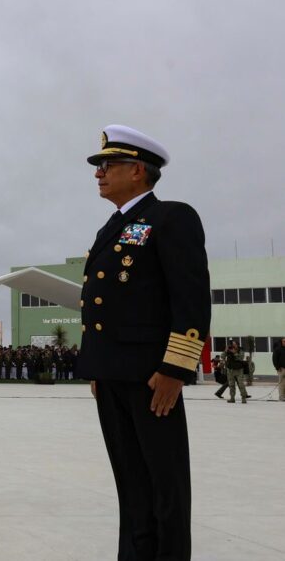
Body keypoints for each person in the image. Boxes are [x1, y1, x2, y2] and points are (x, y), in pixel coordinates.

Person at [76, 125, 210, 561]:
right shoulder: (110, 229)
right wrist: (97, 367)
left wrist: (175, 370)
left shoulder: (171, 217)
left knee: (165, 485)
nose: (98, 173)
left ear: (137, 171)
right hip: (111, 376)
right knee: (130, 483)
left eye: (107, 165)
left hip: (154, 380)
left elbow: (189, 301)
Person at [274, 338, 285, 402]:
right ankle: (281, 397)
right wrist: (277, 367)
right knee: (281, 384)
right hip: (281, 369)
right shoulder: (278, 349)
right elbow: (274, 359)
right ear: (281, 342)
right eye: (284, 341)